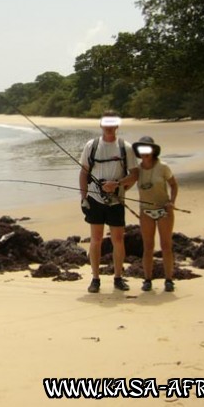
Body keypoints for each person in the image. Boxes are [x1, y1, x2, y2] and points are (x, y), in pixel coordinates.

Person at [79, 112, 138, 293]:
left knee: (118, 240)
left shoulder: (125, 147)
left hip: (116, 201)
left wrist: (118, 185)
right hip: (95, 200)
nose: (109, 127)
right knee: (95, 239)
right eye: (106, 123)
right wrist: (84, 197)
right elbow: (83, 173)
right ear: (101, 125)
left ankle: (118, 277)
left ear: (117, 125)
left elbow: (134, 174)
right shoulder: (92, 146)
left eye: (113, 123)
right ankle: (95, 279)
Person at [131, 136, 178, 293]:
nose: (144, 152)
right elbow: (127, 182)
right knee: (148, 246)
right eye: (141, 149)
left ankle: (169, 280)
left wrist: (171, 202)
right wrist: (114, 186)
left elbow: (173, 185)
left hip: (164, 210)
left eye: (147, 149)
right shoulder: (137, 170)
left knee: (166, 245)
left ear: (153, 151)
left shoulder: (163, 167)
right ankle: (147, 279)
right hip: (146, 211)